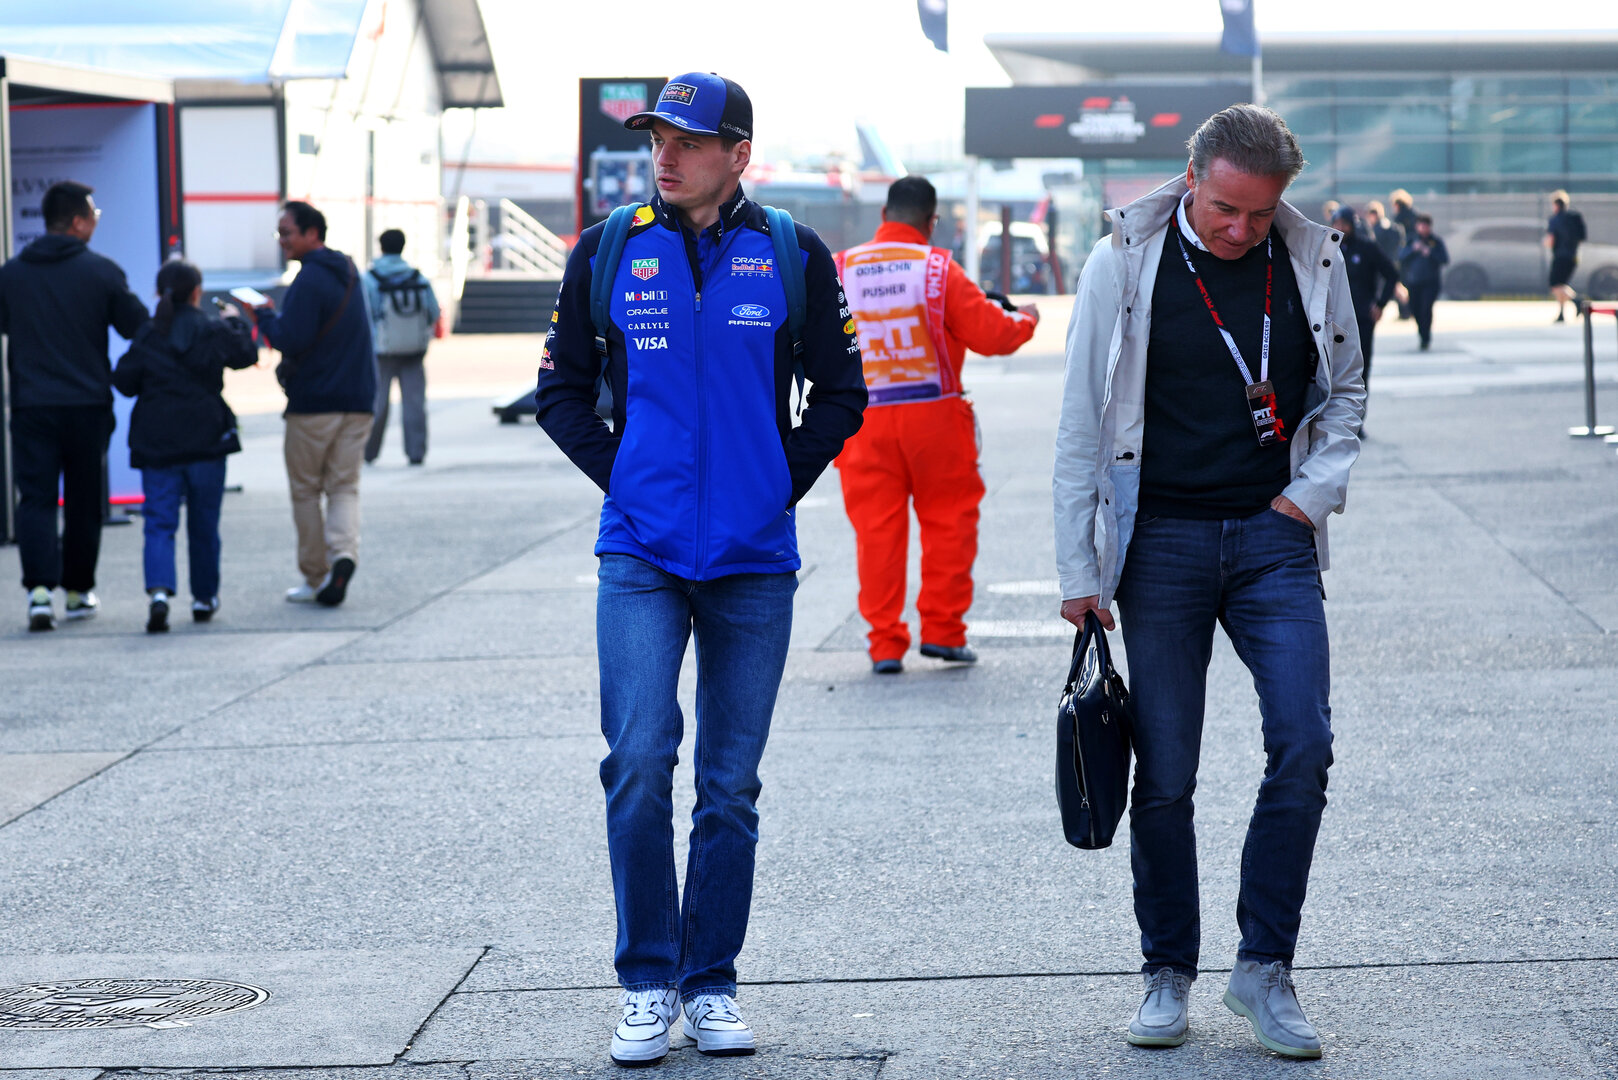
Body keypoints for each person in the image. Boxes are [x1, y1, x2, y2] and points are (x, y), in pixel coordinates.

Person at [533, 72, 866, 1067]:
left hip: (753, 560)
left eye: (685, 140)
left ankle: (709, 981)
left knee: (728, 785)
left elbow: (841, 393)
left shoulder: (792, 253)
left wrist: (774, 486)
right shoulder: (608, 248)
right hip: (641, 551)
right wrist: (628, 479)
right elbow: (559, 391)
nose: (664, 156)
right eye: (656, 139)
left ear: (737, 154)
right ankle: (646, 980)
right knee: (638, 763)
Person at [1055, 104, 1365, 1060]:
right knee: (1166, 770)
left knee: (1304, 743)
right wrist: (1078, 568)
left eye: (1260, 214)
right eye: (1226, 209)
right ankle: (1166, 969)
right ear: (1191, 180)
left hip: (1274, 536)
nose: (1241, 229)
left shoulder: (1312, 260)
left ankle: (1264, 967)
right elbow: (1080, 422)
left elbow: (1347, 393)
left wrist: (1307, 498)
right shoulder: (1121, 265)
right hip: (1161, 544)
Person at [834, 175, 1038, 673]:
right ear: (932, 222)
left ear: (884, 215)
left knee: (876, 535)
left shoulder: (839, 268)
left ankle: (885, 645)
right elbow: (992, 335)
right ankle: (944, 632)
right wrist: (1027, 318)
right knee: (949, 524)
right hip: (936, 420)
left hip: (861, 421)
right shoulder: (938, 269)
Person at [0, 180, 149, 631]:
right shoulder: (101, 272)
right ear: (79, 222)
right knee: (84, 501)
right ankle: (78, 591)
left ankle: (38, 594)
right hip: (87, 404)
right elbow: (138, 327)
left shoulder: (11, 275)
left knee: (36, 498)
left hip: (31, 405)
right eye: (94, 215)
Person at [110, 259, 257, 632]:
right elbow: (247, 355)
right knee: (204, 523)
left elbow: (124, 381)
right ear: (197, 292)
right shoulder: (212, 329)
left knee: (159, 522)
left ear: (158, 293)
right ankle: (204, 596)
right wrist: (235, 321)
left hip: (157, 442)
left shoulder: (148, 334)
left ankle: (159, 593)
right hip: (207, 439)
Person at [253, 201, 377, 606]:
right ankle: (344, 554)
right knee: (344, 486)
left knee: (306, 490)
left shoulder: (308, 280)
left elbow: (291, 338)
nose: (282, 240)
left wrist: (263, 316)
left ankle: (315, 575)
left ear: (312, 233)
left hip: (314, 403)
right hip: (359, 399)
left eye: (287, 232)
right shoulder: (349, 272)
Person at [362, 228, 440, 465]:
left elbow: (365, 315)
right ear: (403, 247)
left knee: (377, 403)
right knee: (414, 404)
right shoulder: (418, 278)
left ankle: (368, 452)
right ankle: (416, 453)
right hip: (414, 350)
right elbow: (433, 312)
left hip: (381, 351)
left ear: (381, 247)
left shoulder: (370, 278)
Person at [1330, 205, 1399, 395]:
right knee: (1333, 370)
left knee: (1361, 368)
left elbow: (1392, 274)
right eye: (1336, 223)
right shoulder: (1328, 249)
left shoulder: (1367, 247)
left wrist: (1381, 304)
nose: (1340, 228)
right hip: (1333, 319)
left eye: (1344, 223)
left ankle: (1359, 411)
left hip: (1362, 317)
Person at [1398, 213, 1448, 352]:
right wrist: (1413, 250)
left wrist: (1430, 253)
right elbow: (1401, 256)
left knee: (1426, 308)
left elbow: (1444, 259)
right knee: (1415, 309)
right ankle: (1421, 332)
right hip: (1414, 282)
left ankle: (1426, 337)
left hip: (1431, 282)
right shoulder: (1411, 240)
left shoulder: (1435, 242)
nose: (1423, 228)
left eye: (1425, 225)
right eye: (1420, 225)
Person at [1545, 190, 1587, 323]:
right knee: (1562, 285)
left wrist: (1545, 242)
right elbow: (1582, 237)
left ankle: (1577, 300)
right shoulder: (1575, 217)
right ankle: (1561, 313)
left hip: (1560, 256)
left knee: (1555, 285)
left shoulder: (1555, 219)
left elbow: (1550, 240)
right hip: (1574, 257)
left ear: (1555, 205)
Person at [1364, 200, 1409, 316]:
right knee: (1395, 287)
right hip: (1392, 259)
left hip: (1384, 261)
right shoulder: (1390, 226)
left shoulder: (1379, 228)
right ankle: (1405, 311)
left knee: (1393, 287)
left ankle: (1406, 309)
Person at [1389, 189, 1418, 319]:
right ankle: (1410, 310)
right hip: (1413, 255)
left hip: (1402, 255)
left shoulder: (1399, 218)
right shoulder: (1414, 215)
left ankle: (1404, 311)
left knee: (1400, 283)